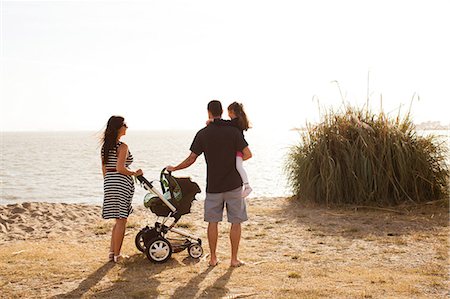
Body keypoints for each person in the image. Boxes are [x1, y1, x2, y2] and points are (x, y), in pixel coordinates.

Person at [167, 100, 252, 267]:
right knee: (236, 222)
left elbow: (191, 158)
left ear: (209, 112)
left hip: (213, 186)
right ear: (222, 112)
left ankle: (213, 259)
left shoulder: (203, 133)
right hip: (234, 185)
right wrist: (235, 161)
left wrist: (175, 168)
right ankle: (234, 259)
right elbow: (247, 154)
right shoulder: (234, 132)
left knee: (213, 222)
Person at [101, 116, 143, 263]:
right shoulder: (122, 146)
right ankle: (118, 255)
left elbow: (105, 168)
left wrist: (108, 182)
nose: (127, 127)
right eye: (125, 125)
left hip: (109, 182)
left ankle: (112, 253)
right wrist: (134, 173)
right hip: (120, 183)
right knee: (121, 220)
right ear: (119, 128)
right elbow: (120, 168)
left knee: (117, 220)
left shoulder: (105, 147)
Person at [208, 102, 252, 198]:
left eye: (229, 112)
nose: (228, 115)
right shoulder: (237, 122)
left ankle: (247, 186)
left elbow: (225, 123)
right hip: (238, 149)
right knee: (238, 165)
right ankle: (247, 186)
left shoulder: (235, 122)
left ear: (232, 112)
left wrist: (213, 121)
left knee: (238, 166)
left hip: (239, 149)